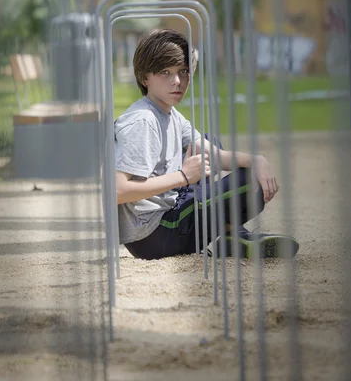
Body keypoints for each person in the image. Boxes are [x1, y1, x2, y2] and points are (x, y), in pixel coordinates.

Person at [114, 28, 299, 260]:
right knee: (249, 182)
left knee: (209, 145)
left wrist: (256, 160)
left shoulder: (169, 113)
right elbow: (118, 191)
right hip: (155, 234)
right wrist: (183, 176)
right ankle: (231, 233)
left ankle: (232, 236)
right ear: (145, 77)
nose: (177, 81)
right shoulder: (143, 121)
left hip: (172, 211)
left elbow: (215, 155)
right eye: (165, 72)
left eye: (183, 72)